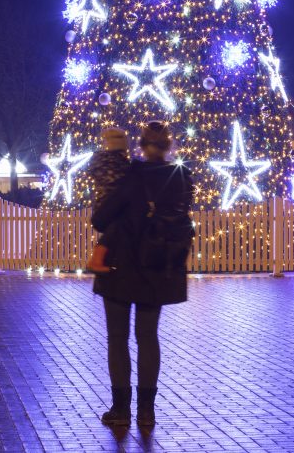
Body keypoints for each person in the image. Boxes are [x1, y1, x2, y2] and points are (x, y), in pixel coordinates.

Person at [91, 121, 194, 430]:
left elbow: (102, 218)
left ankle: (120, 409)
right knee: (148, 337)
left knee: (118, 338)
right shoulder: (182, 179)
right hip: (159, 267)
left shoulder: (132, 177)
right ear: (168, 146)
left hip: (121, 268)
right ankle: (147, 411)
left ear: (141, 145)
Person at [85, 127, 130, 273]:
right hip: (114, 204)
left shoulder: (99, 160)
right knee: (117, 225)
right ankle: (97, 259)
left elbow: (93, 172)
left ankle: (98, 258)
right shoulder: (120, 162)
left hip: (102, 204)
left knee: (114, 229)